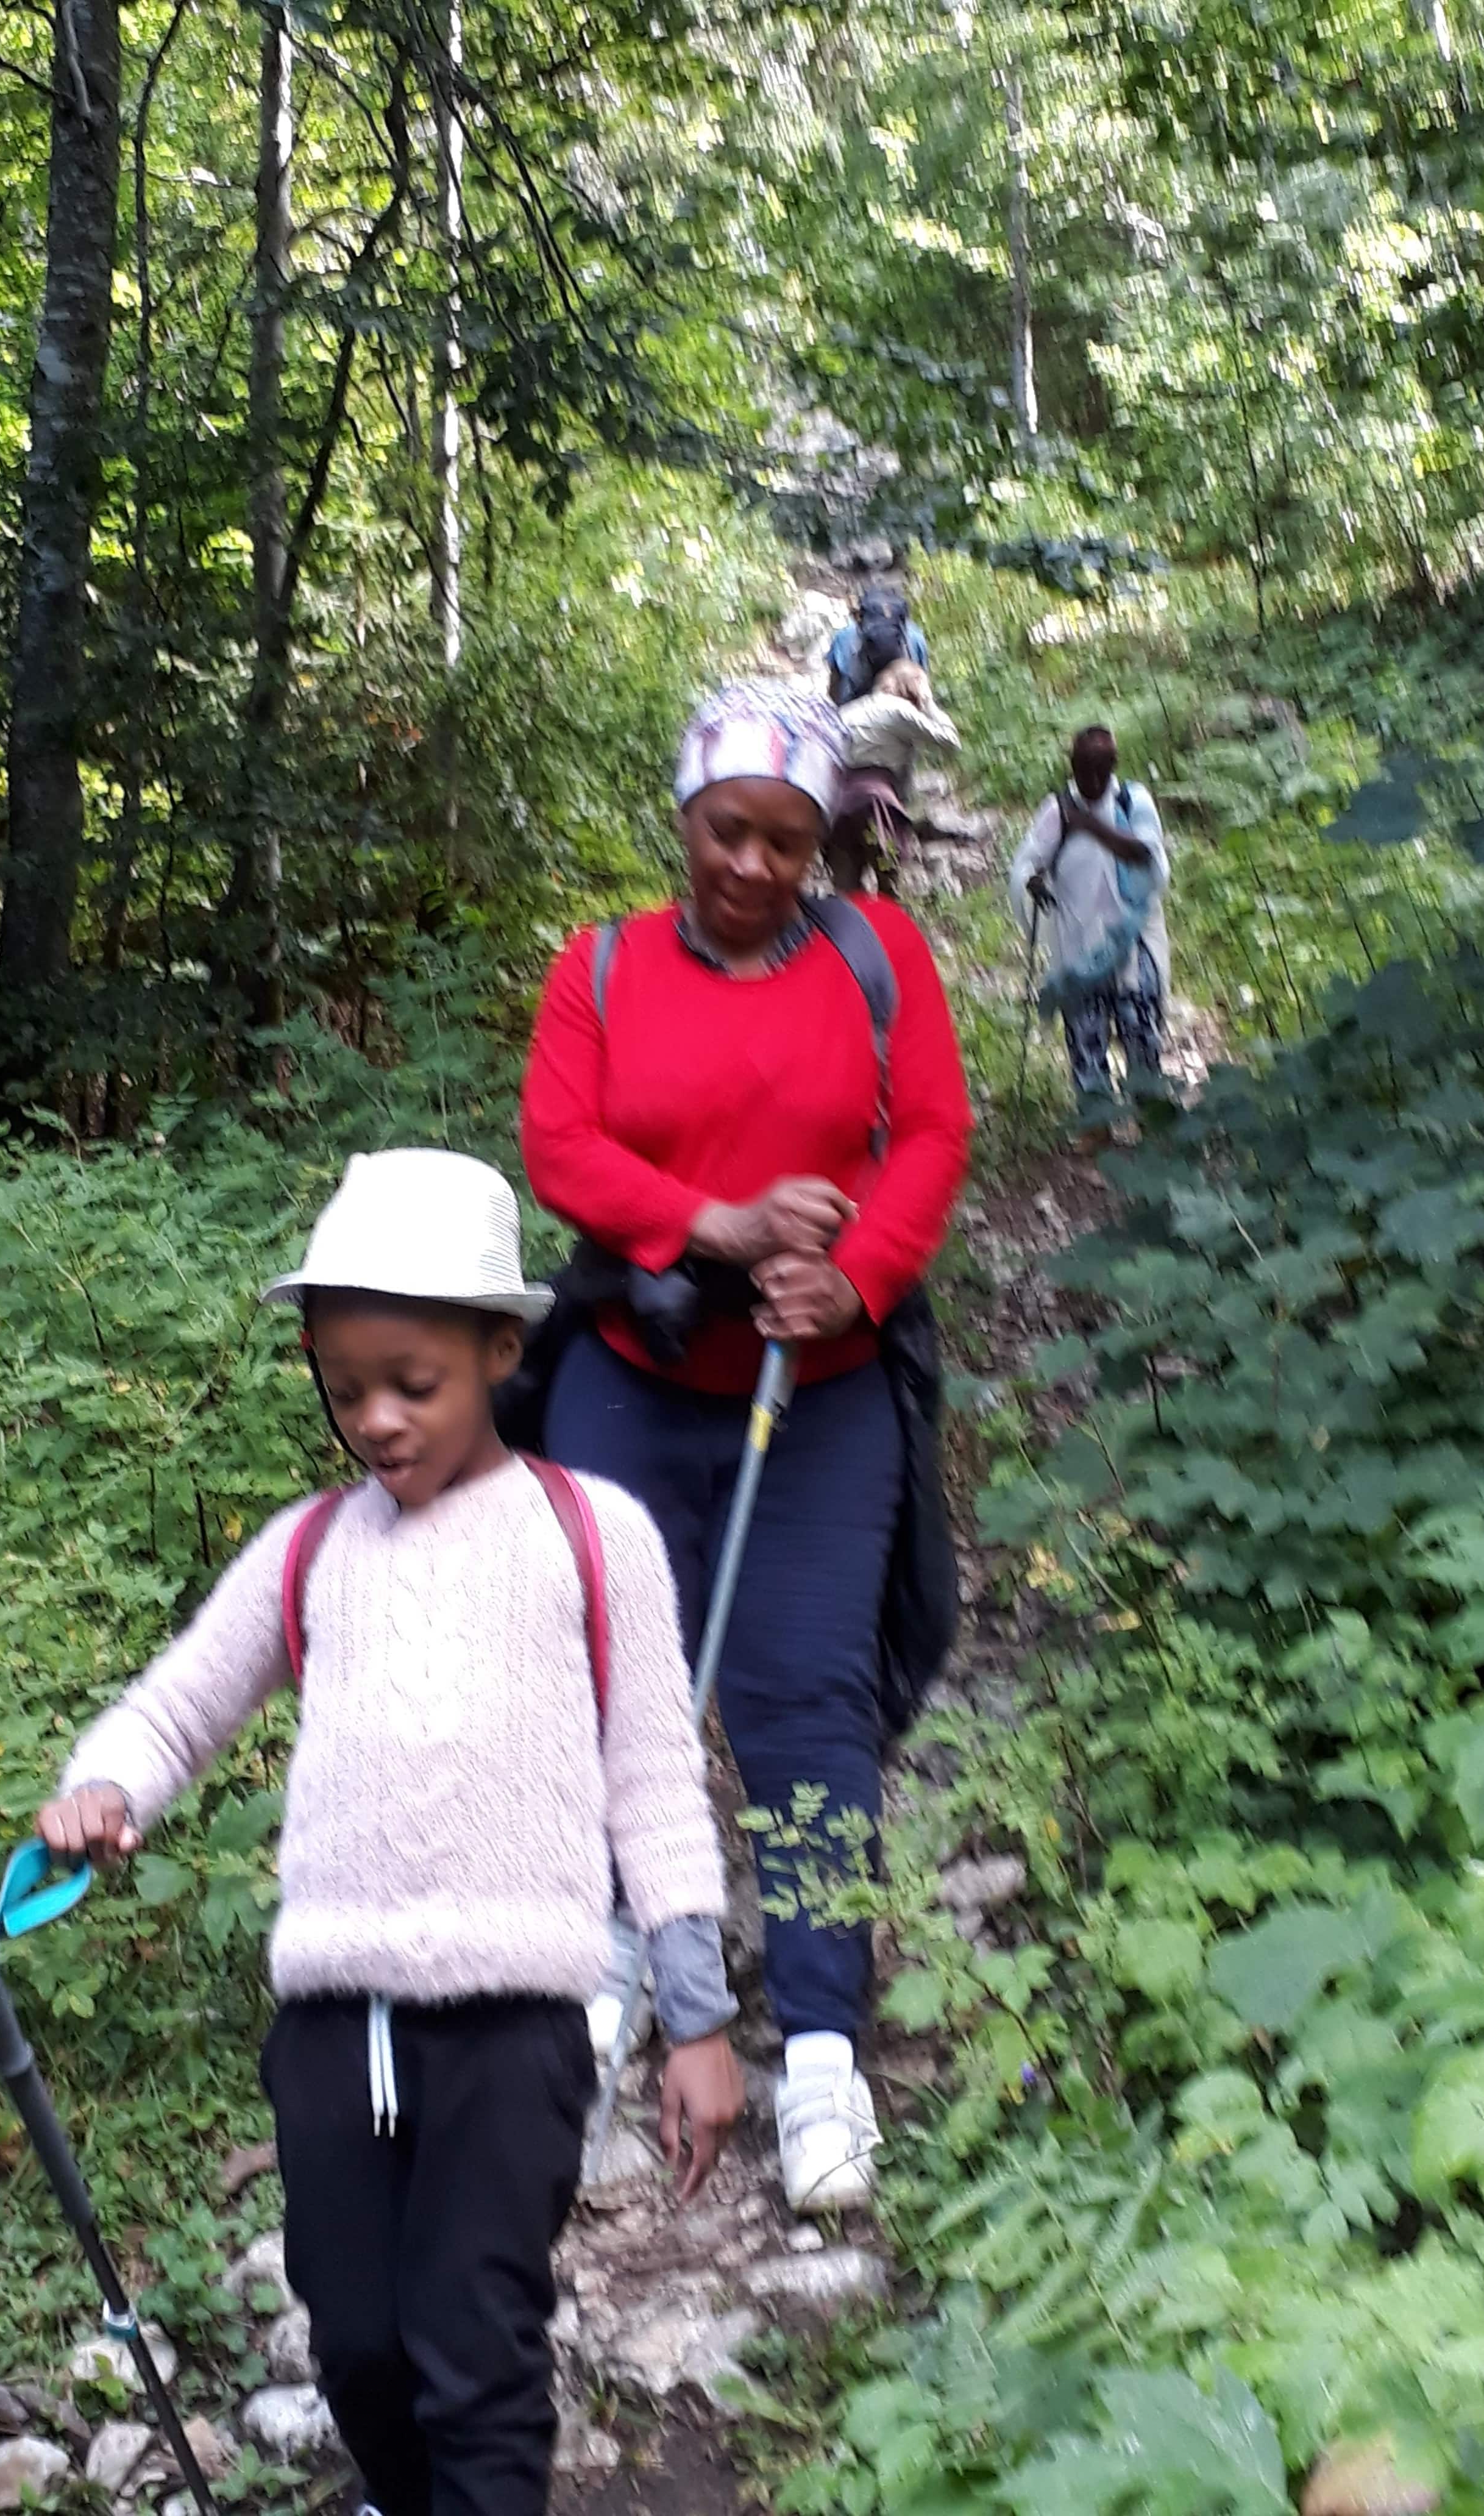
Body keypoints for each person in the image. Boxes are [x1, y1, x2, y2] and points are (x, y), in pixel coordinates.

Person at [34, 1147, 743, 2516]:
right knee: (358, 2341)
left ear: (498, 1349)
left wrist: (699, 2018)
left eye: (413, 1385)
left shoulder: (593, 1537)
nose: (377, 1419)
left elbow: (655, 1779)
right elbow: (177, 1708)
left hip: (516, 2026)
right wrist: (107, 1785)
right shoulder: (312, 1549)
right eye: (346, 1386)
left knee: (475, 2349)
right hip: (330, 2021)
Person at [520, 681, 971, 2216]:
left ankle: (826, 2045)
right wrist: (714, 1224)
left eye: (790, 840)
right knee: (602, 1678)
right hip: (636, 1372)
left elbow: (930, 1133)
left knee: (804, 1694)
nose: (757, 866)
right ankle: (610, 1979)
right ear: (684, 821)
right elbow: (563, 1143)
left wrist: (857, 1270)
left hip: (822, 1385)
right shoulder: (601, 967)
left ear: (825, 840)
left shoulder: (879, 956)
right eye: (730, 832)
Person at [1008, 725, 1171, 1115]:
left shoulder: (1134, 802)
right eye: (1085, 770)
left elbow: (1147, 856)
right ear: (1073, 767)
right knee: (1085, 1036)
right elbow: (1027, 863)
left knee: (1142, 1031)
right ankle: (1096, 1124)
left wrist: (1089, 824)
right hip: (1078, 944)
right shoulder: (1058, 811)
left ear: (1114, 766)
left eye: (1102, 770)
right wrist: (1032, 883)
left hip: (1132, 944)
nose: (1094, 781)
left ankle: (1151, 1119)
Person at [828, 659, 961, 896]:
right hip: (875, 804)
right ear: (912, 685)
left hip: (837, 807)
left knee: (845, 895)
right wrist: (928, 701)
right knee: (888, 888)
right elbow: (950, 740)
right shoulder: (897, 710)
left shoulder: (847, 712)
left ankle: (848, 930)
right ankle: (887, 930)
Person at [826, 579, 931, 706]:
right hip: (904, 708)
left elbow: (834, 690)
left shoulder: (844, 639)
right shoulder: (915, 637)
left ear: (860, 618)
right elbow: (922, 685)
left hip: (856, 708)